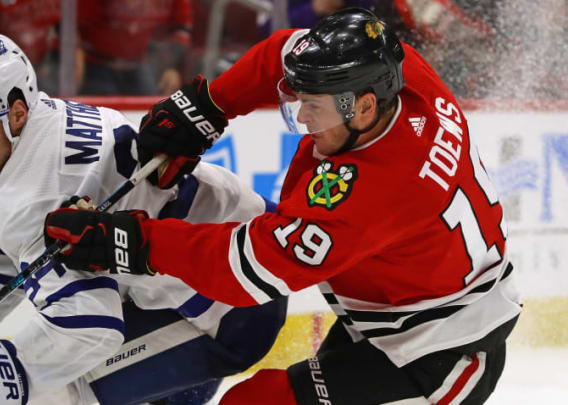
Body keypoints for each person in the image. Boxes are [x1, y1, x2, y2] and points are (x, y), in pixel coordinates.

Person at [42, 8, 522, 405]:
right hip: (397, 326)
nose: (303, 118)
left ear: (366, 107)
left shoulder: (377, 192)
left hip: (436, 356)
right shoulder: (400, 75)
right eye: (300, 102)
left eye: (315, 107)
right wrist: (210, 105)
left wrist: (130, 241)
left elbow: (247, 267)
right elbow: (286, 49)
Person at [0, 33, 286, 405]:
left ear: (17, 113)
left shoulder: (34, 191)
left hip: (233, 304)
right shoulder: (37, 129)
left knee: (66, 386)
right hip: (225, 255)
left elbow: (91, 328)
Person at [77, 0, 192, 95]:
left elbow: (181, 29)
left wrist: (171, 67)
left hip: (142, 63)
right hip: (97, 64)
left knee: (152, 109)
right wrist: (77, 51)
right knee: (98, 113)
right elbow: (73, 24)